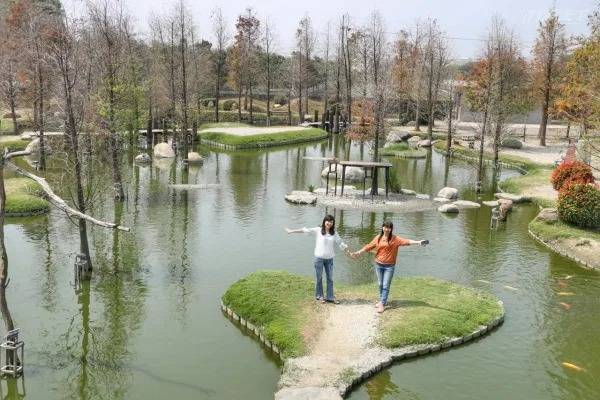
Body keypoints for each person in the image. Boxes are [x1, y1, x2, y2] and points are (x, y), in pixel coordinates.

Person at [350, 221, 428, 313]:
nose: (386, 229)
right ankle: (382, 300)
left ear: (391, 229)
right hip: (378, 264)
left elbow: (407, 241)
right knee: (380, 284)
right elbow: (368, 247)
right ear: (382, 228)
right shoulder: (378, 238)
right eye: (385, 227)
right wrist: (358, 253)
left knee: (386, 285)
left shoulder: (395, 239)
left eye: (388, 228)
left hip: (389, 266)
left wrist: (418, 242)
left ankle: (382, 304)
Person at [286, 215, 348, 304]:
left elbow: (341, 243)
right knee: (319, 278)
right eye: (328, 221)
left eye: (331, 221)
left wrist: (349, 253)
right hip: (319, 258)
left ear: (333, 223)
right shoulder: (318, 230)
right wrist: (291, 231)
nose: (329, 223)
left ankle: (330, 297)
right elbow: (305, 230)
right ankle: (320, 296)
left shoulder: (334, 233)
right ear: (324, 221)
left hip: (329, 259)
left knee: (330, 278)